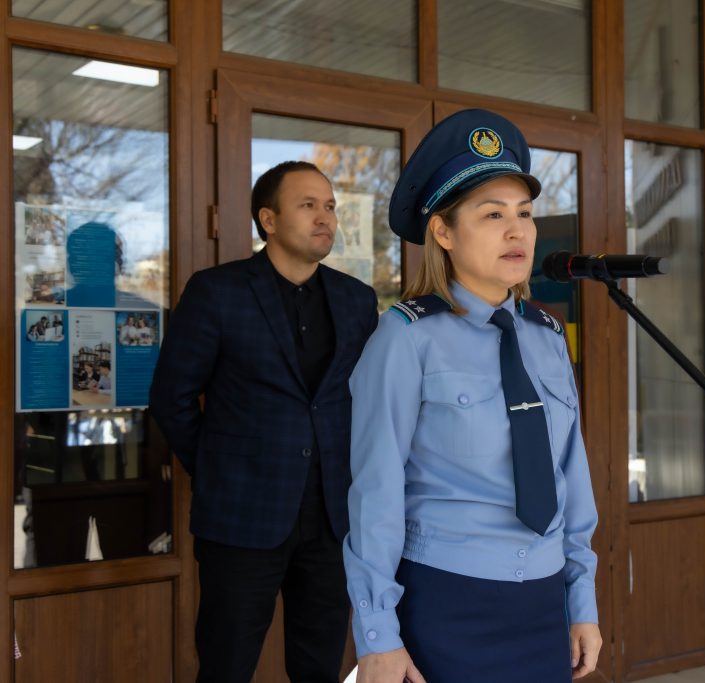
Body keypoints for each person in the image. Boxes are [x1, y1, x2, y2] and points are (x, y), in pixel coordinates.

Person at [344, 109, 602, 683]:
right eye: (492, 215)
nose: (518, 231)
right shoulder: (406, 338)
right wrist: (377, 633)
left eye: (525, 213)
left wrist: (581, 600)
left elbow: (571, 476)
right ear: (443, 232)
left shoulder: (547, 337)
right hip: (446, 601)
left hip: (544, 604)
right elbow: (375, 494)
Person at [149, 160, 378, 682]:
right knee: (227, 666)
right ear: (268, 220)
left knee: (320, 666)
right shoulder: (217, 291)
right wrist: (217, 470)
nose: (324, 217)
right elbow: (171, 398)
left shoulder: (357, 299)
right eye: (308, 205)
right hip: (241, 516)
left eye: (330, 206)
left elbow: (363, 401)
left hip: (332, 518)